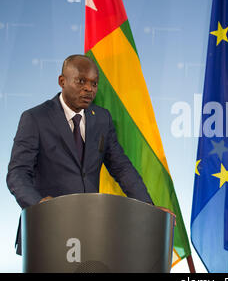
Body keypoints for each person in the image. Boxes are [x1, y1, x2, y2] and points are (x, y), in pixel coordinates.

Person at [7, 54, 174, 254]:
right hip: (46, 230)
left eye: (94, 83)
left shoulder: (102, 118)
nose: (89, 89)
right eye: (81, 81)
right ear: (62, 81)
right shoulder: (35, 118)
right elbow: (17, 174)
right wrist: (40, 205)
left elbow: (122, 168)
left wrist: (148, 208)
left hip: (90, 231)